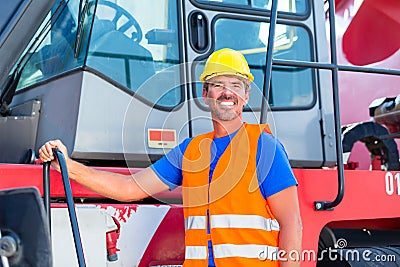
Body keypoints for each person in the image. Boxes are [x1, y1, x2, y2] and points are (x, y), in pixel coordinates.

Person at [40, 48, 302, 266]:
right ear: (205, 93)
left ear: (246, 95)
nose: (227, 92)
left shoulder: (265, 148)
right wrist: (68, 166)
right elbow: (129, 188)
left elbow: (291, 223)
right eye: (218, 85)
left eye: (235, 85)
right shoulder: (190, 152)